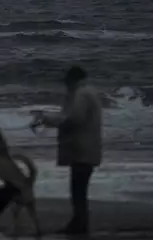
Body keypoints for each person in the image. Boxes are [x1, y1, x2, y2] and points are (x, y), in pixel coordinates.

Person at [39, 66, 102, 235]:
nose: (65, 85)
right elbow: (74, 117)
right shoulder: (88, 92)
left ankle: (79, 226)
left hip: (81, 150)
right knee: (79, 190)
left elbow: (74, 118)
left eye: (66, 81)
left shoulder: (81, 94)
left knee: (77, 191)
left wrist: (47, 119)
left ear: (71, 80)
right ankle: (78, 224)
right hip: (87, 148)